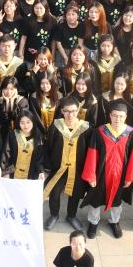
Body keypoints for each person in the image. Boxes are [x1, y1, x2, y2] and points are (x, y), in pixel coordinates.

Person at [80, 100, 133, 238]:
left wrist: (130, 177)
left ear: (126, 116)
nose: (117, 119)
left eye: (121, 116)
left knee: (117, 201)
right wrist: (91, 175)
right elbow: (92, 153)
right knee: (95, 199)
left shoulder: (132, 133)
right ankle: (93, 222)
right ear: (110, 115)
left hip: (121, 175)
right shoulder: (100, 131)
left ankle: (114, 221)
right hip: (101, 174)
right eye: (114, 115)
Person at [43, 96, 92, 231]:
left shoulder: (85, 128)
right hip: (58, 168)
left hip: (77, 168)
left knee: (75, 194)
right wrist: (47, 167)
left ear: (78, 110)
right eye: (67, 111)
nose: (70, 115)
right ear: (62, 111)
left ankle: (71, 216)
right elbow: (49, 147)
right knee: (54, 193)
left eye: (73, 111)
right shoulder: (56, 126)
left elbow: (89, 150)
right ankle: (54, 215)